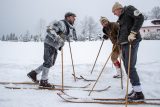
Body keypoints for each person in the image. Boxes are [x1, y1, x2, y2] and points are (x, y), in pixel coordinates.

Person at [27, 12, 77, 88]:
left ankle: (34, 73)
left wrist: (63, 42)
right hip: (49, 43)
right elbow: (50, 29)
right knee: (48, 62)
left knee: (51, 63)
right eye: (73, 17)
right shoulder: (61, 23)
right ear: (68, 17)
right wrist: (58, 38)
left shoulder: (67, 27)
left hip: (55, 46)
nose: (74, 19)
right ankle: (44, 81)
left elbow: (62, 36)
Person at [112, 2, 144, 101]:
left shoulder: (129, 9)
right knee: (127, 67)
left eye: (114, 12)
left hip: (132, 42)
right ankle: (135, 89)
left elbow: (140, 17)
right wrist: (119, 43)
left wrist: (133, 32)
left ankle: (139, 94)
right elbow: (122, 32)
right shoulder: (121, 18)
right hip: (124, 44)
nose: (114, 14)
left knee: (130, 67)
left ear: (118, 9)